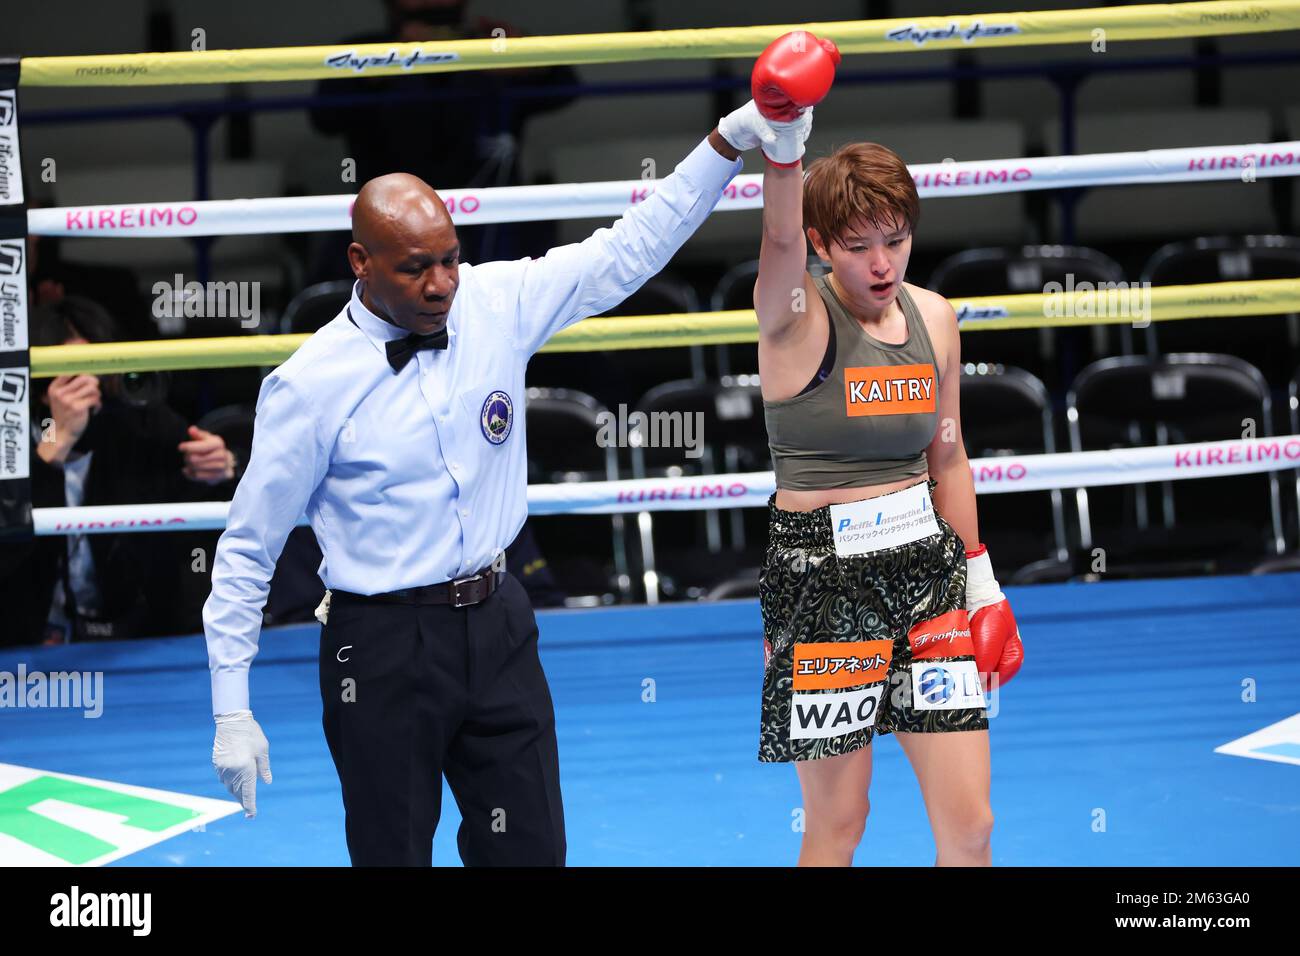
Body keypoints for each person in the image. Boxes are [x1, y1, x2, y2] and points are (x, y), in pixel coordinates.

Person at [203, 61, 814, 865]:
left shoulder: (494, 303)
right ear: (360, 262)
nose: (440, 284)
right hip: (380, 646)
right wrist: (231, 709)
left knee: (531, 851)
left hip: (499, 622)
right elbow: (248, 548)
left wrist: (727, 141)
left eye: (449, 259)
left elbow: (628, 249)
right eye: (414, 267)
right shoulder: (308, 386)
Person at [748, 33, 1025, 866]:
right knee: (840, 823)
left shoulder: (935, 316)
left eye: (896, 240)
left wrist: (982, 583)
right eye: (860, 244)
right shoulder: (794, 318)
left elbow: (949, 458)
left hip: (927, 570)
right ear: (827, 243)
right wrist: (785, 144)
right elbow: (779, 245)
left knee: (971, 825)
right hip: (821, 579)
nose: (881, 262)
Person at [0, 297, 241, 647]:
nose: (89, 382)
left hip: (130, 640)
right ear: (40, 385)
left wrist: (224, 468)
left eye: (97, 365)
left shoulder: (139, 426)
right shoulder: (17, 434)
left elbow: (201, 519)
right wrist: (55, 444)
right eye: (72, 368)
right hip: (23, 643)